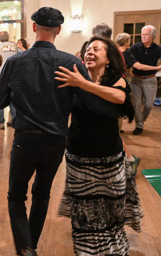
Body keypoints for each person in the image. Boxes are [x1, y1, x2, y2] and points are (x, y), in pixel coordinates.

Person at [0, 7, 90, 256]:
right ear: (58, 30)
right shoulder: (72, 62)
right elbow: (84, 102)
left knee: (16, 196)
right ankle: (31, 246)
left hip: (25, 139)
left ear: (34, 27)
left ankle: (26, 249)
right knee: (42, 194)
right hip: (56, 139)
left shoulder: (15, 61)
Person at [56, 37, 143, 255]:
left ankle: (113, 248)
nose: (90, 52)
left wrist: (83, 85)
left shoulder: (115, 79)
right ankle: (86, 249)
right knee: (84, 208)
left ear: (107, 58)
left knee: (112, 204)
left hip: (108, 156)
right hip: (79, 155)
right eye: (87, 49)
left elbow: (118, 97)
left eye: (96, 49)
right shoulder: (75, 79)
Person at [128, 25, 161, 135]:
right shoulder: (135, 47)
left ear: (152, 36)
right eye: (142, 35)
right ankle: (139, 125)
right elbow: (130, 61)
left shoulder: (158, 49)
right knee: (136, 104)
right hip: (136, 80)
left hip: (150, 80)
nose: (143, 37)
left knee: (148, 105)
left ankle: (140, 120)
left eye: (146, 35)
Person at [0, 31, 18, 129]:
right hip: (14, 75)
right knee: (13, 98)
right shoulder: (15, 47)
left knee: (1, 96)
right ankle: (14, 120)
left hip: (1, 75)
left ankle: (0, 122)